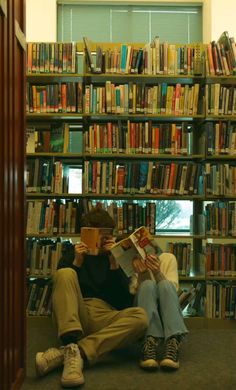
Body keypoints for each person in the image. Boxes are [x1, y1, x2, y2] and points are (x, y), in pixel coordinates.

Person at [35, 206, 148, 388]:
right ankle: (71, 343)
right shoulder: (72, 253)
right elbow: (61, 291)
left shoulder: (116, 257)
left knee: (141, 317)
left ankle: (74, 351)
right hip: (77, 312)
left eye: (105, 236)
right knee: (64, 273)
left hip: (105, 313)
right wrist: (77, 263)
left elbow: (122, 303)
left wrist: (113, 264)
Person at [130, 251, 188, 372]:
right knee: (147, 285)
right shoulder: (133, 260)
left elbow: (174, 292)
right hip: (142, 306)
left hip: (167, 306)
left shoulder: (168, 258)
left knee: (166, 285)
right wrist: (142, 274)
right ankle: (149, 342)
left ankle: (173, 341)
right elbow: (132, 293)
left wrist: (157, 272)